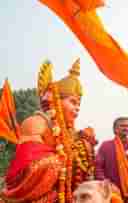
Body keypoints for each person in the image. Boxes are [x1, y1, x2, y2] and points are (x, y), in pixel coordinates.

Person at [0, 59, 97, 203]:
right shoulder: (35, 123)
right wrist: (67, 161)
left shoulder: (72, 135)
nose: (77, 108)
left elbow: (81, 177)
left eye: (79, 104)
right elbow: (28, 170)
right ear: (56, 100)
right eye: (73, 102)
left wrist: (85, 150)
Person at [95, 117, 128, 203]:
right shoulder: (106, 146)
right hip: (112, 194)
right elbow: (98, 167)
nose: (126, 128)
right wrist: (106, 183)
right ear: (115, 129)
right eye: (122, 126)